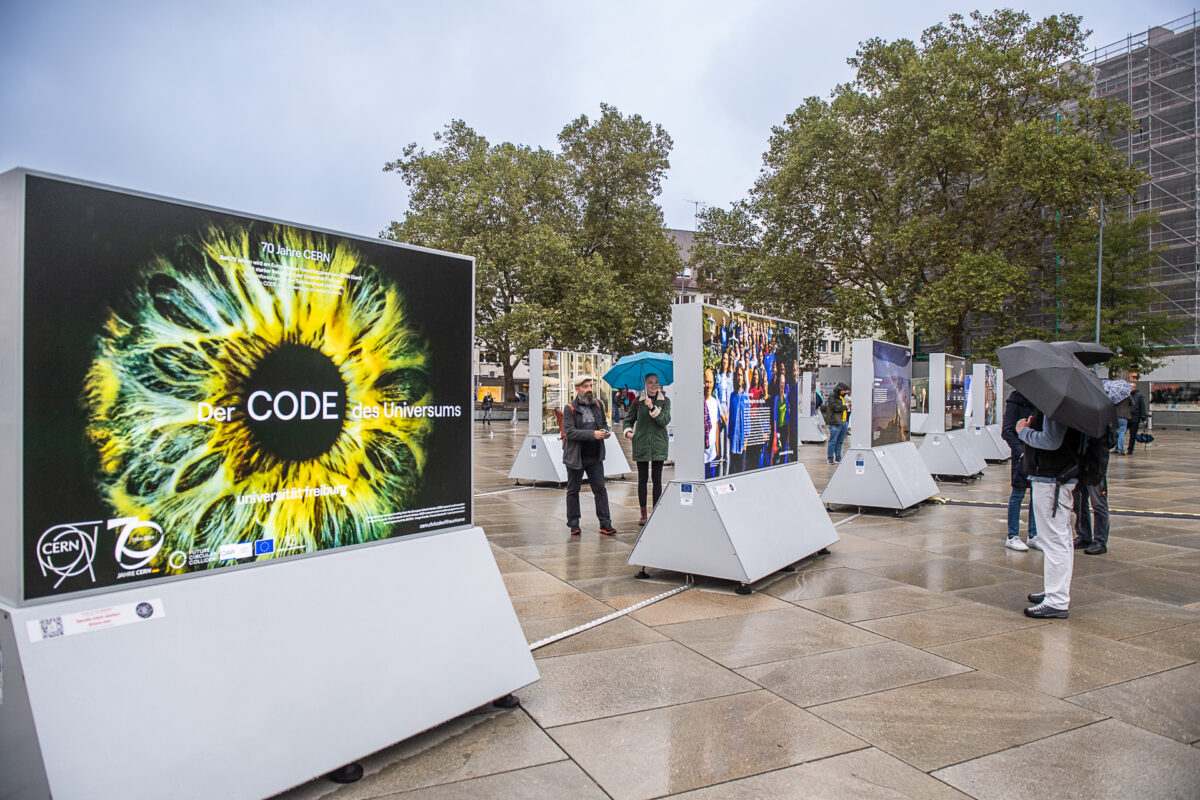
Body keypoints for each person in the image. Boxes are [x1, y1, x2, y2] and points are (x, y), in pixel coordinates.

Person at [1016, 411, 1079, 619]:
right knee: (1061, 538)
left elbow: (1051, 441)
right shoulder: (1064, 403)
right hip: (1057, 478)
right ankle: (1055, 590)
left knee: (1054, 540)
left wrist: (1023, 431)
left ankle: (1057, 600)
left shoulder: (1055, 407)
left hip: (1051, 479)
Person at [562, 375, 615, 537]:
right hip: (576, 457)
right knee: (573, 490)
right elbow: (570, 432)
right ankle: (574, 524)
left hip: (595, 456)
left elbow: (603, 424)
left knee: (600, 490)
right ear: (577, 389)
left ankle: (605, 524)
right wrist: (593, 434)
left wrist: (605, 432)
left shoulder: (598, 404)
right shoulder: (569, 408)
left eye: (590, 386)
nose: (589, 389)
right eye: (585, 386)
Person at [624, 373, 671, 525]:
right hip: (642, 444)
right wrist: (628, 432)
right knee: (642, 479)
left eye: (656, 382)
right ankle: (643, 513)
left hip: (658, 444)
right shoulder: (638, 401)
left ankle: (656, 512)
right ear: (645, 383)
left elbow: (664, 420)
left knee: (657, 479)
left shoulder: (665, 401)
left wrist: (652, 407)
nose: (653, 385)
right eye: (650, 382)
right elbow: (628, 420)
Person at [1000, 389, 1039, 551]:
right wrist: (1021, 452)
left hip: (1038, 454)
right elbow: (1007, 430)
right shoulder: (1016, 400)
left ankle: (1034, 534)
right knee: (1018, 494)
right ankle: (1012, 535)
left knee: (1036, 495)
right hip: (1023, 456)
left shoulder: (1041, 400)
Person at [822, 383, 850, 464]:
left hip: (843, 422)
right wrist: (845, 406)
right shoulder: (832, 396)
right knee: (833, 441)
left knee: (840, 441)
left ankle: (838, 457)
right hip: (835, 422)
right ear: (839, 389)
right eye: (844, 390)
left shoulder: (842, 397)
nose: (845, 392)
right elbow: (835, 407)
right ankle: (830, 458)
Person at [703, 368, 723, 478]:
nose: (708, 385)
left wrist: (718, 450)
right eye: (706, 381)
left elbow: (716, 427)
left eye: (710, 382)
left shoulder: (715, 402)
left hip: (712, 455)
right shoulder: (699, 402)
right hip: (701, 457)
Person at [1127, 387, 1147, 454]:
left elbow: (1142, 407)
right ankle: (1118, 447)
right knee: (1121, 433)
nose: (1131, 388)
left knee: (1132, 434)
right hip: (1126, 417)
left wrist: (1143, 418)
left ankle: (1130, 449)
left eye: (1133, 387)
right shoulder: (1126, 394)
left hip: (1135, 418)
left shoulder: (1139, 396)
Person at [1114, 389, 1132, 455]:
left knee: (1116, 432)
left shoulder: (1114, 396)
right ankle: (1120, 449)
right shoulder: (1126, 395)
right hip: (1124, 416)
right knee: (1122, 433)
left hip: (1115, 415)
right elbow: (1132, 403)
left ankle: (1116, 447)